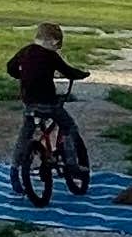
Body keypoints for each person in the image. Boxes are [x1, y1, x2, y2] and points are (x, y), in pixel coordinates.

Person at [6, 23, 88, 183]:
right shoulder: (51, 56)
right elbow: (68, 71)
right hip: (48, 103)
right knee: (69, 127)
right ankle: (72, 165)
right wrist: (82, 74)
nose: (57, 49)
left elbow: (10, 67)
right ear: (52, 41)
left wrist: (22, 76)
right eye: (57, 45)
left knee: (25, 134)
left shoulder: (25, 51)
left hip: (29, 102)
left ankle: (14, 169)